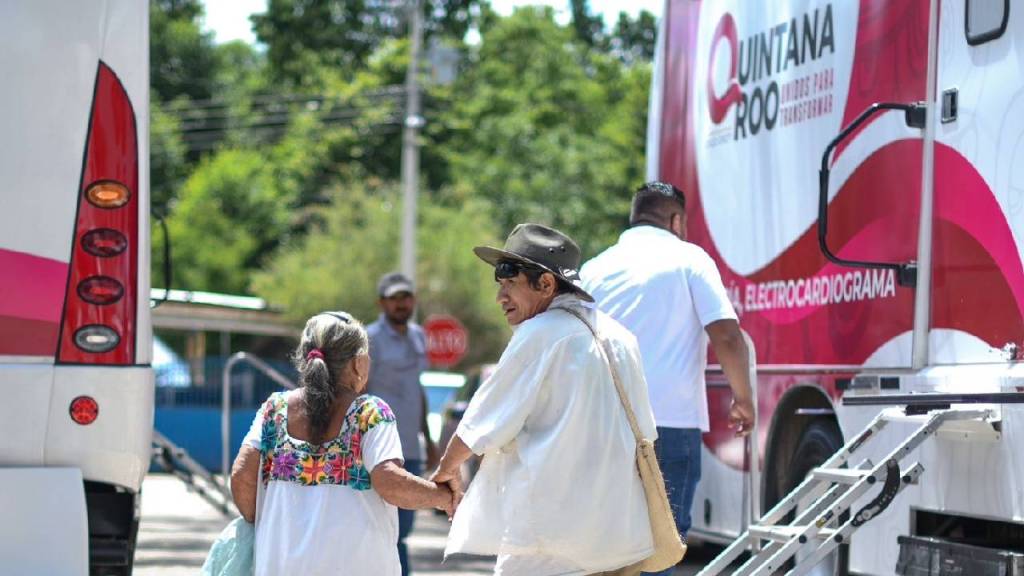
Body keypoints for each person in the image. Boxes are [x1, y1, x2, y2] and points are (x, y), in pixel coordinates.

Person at [432, 223, 659, 576]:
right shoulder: (622, 338)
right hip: (615, 541)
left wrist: (446, 471)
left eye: (510, 283)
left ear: (547, 284)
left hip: (548, 544)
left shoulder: (539, 334)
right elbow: (646, 432)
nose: (500, 297)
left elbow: (482, 424)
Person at [580, 181, 755, 576]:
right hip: (669, 425)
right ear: (676, 220)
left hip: (603, 426)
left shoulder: (595, 268)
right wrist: (744, 398)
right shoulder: (689, 259)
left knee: (605, 546)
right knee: (663, 547)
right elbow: (726, 334)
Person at [230, 311, 453, 576]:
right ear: (359, 363)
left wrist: (274, 526)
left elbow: (241, 477)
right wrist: (445, 497)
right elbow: (390, 483)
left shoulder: (274, 410)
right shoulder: (371, 413)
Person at [365, 272, 439, 576]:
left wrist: (429, 438)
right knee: (380, 531)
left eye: (406, 297)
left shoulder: (419, 335)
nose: (401, 303)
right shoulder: (369, 338)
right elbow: (358, 389)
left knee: (402, 530)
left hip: (410, 446)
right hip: (378, 449)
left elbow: (416, 388)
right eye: (394, 298)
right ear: (382, 302)